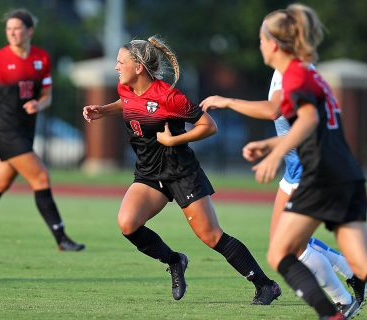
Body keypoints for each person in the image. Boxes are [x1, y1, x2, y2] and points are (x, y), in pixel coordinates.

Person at [83, 35, 281, 304]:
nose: (116, 67)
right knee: (128, 224)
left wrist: (174, 140)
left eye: (121, 62)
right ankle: (175, 261)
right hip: (149, 173)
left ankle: (265, 285)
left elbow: (209, 126)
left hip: (181, 173)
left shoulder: (169, 96)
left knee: (211, 236)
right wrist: (104, 110)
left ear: (139, 67)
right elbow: (128, 105)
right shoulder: (125, 89)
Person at [250, 4, 367, 319]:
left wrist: (273, 154)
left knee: (280, 253)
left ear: (274, 43)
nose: (259, 45)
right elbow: (312, 124)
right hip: (346, 172)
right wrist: (272, 143)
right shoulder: (307, 73)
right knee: (366, 264)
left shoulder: (295, 75)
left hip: (321, 175)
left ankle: (334, 313)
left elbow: (307, 119)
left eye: (260, 39)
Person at [201, 67, 366, 318]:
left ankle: (343, 302)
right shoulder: (291, 69)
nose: (262, 43)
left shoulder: (293, 71)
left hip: (309, 168)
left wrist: (226, 101)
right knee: (283, 240)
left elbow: (273, 110)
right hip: (295, 168)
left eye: (265, 37)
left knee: (290, 248)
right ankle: (352, 272)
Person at [0, 8, 85, 252]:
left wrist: (39, 103)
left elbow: (47, 95)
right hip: (5, 130)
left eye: (17, 28)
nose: (12, 33)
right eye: (9, 29)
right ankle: (62, 238)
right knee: (41, 177)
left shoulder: (41, 58)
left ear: (30, 31)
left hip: (26, 131)